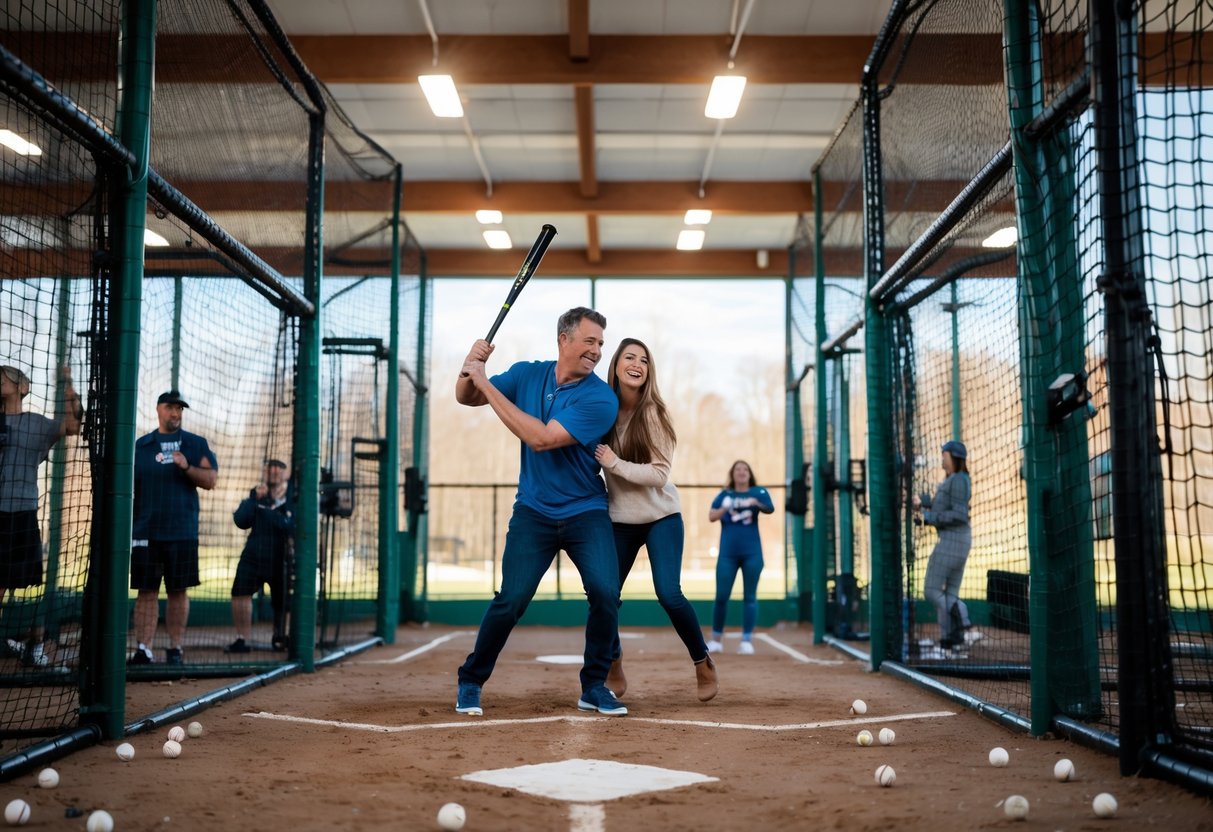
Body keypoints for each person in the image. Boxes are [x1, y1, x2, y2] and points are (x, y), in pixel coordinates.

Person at [454, 307, 626, 717]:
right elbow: (467, 397)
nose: (597, 351)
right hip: (534, 511)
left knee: (606, 594)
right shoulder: (527, 373)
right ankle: (471, 680)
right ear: (564, 339)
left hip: (586, 510)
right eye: (590, 341)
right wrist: (470, 367)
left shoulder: (601, 398)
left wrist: (485, 384)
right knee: (511, 599)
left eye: (601, 344)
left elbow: (542, 439)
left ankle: (594, 686)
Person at [594, 338, 717, 702]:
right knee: (604, 595)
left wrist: (614, 463)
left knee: (668, 593)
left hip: (661, 516)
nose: (636, 364)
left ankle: (702, 662)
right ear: (615, 364)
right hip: (620, 519)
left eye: (644, 360)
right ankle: (613, 662)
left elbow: (659, 474)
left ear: (649, 372)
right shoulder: (602, 409)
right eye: (629, 357)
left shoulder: (654, 414)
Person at [0, 365, 81, 667]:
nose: (0, 380)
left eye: (5, 376)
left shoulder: (35, 424)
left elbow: (72, 425)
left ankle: (35, 645)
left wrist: (68, 385)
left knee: (29, 585)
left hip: (21, 511)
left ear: (22, 386)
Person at [129, 390, 217, 666]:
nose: (176, 413)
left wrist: (187, 466)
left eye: (180, 408)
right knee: (146, 591)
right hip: (145, 531)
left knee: (178, 591)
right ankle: (144, 648)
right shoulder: (141, 446)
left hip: (182, 531)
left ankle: (176, 648)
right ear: (158, 409)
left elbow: (211, 479)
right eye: (170, 407)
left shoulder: (195, 443)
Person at [913, 440, 978, 653]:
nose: (942, 458)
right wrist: (923, 507)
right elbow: (944, 507)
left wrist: (929, 517)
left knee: (931, 591)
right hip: (956, 539)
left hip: (953, 539)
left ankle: (963, 617)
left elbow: (959, 514)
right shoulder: (953, 479)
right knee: (949, 592)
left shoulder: (959, 479)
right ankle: (950, 640)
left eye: (945, 454)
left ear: (954, 457)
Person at [227, 458, 294, 654]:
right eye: (268, 470)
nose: (272, 473)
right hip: (254, 554)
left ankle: (281, 636)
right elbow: (241, 520)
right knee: (240, 592)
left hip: (281, 557)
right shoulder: (255, 496)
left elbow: (290, 527)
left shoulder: (292, 498)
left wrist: (272, 513)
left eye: (277, 470)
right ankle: (242, 639)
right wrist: (254, 499)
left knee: (283, 601)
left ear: (285, 474)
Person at [707, 460, 774, 655]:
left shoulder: (758, 492)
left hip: (752, 553)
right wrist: (724, 508)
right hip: (728, 554)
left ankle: (746, 640)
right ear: (732, 474)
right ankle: (717, 639)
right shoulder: (725, 494)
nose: (742, 472)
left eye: (745, 469)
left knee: (750, 596)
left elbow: (770, 508)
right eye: (738, 469)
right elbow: (711, 516)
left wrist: (755, 503)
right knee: (721, 596)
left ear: (750, 473)